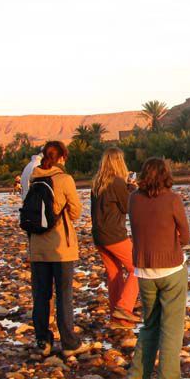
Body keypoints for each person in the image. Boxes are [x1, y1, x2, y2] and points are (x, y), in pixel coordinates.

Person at [126, 158, 190, 379]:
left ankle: (136, 378)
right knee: (171, 329)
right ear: (166, 175)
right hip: (171, 270)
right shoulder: (173, 199)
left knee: (150, 324)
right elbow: (184, 236)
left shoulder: (133, 198)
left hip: (144, 271)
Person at [28, 141, 90, 358]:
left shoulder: (32, 177)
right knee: (64, 295)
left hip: (37, 245)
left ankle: (42, 341)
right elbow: (75, 211)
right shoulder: (64, 180)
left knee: (41, 295)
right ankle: (69, 342)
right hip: (61, 246)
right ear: (62, 157)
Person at [91, 147, 140, 330]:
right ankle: (124, 307)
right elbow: (127, 207)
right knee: (138, 267)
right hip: (114, 234)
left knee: (114, 274)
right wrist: (133, 189)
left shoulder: (97, 183)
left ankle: (117, 319)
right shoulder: (117, 182)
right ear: (119, 162)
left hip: (99, 234)